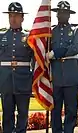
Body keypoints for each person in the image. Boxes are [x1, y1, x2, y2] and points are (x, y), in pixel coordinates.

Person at [47, 1, 78, 133]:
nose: (61, 15)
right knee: (55, 110)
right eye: (59, 12)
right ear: (56, 14)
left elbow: (75, 48)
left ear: (69, 15)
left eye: (64, 12)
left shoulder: (76, 30)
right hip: (55, 77)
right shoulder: (50, 31)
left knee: (71, 110)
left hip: (71, 76)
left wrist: (55, 53)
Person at [0, 2, 33, 133]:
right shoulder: (1, 36)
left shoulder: (29, 37)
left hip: (23, 79)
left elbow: (37, 59)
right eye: (11, 15)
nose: (13, 19)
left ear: (22, 18)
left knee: (23, 113)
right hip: (5, 80)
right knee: (7, 113)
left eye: (16, 16)